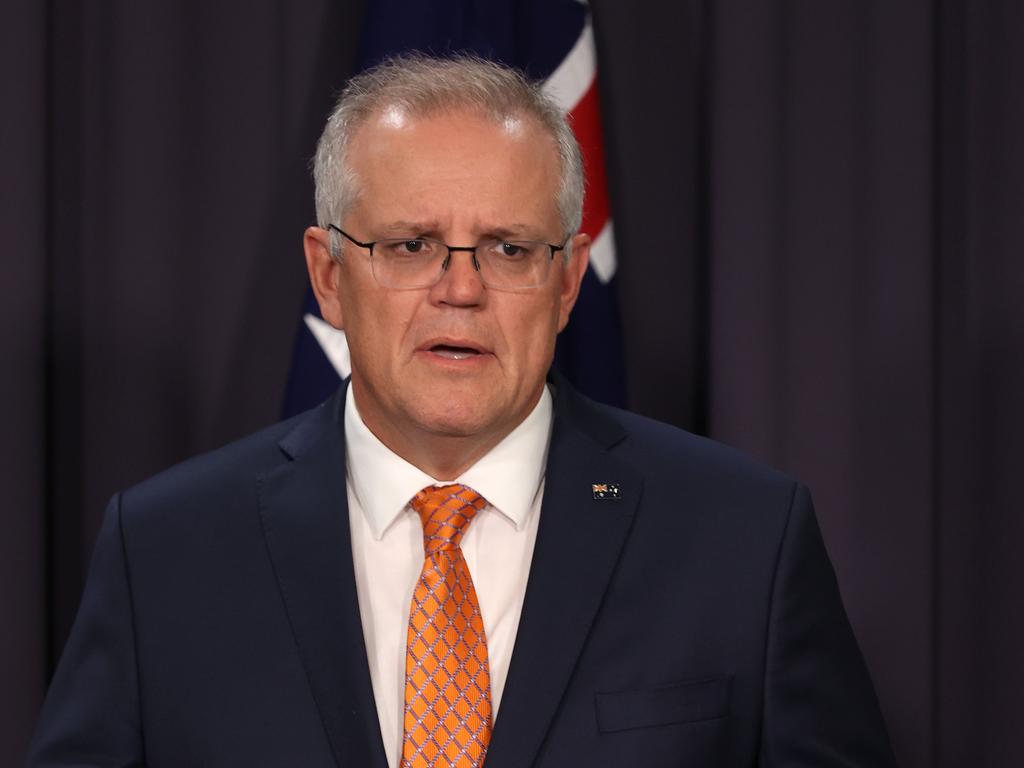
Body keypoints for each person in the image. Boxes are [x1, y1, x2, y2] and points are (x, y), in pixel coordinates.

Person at [29, 54, 896, 768]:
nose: (461, 289)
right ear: (329, 275)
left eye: (508, 249)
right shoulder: (165, 551)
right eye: (411, 246)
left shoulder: (744, 541)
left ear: (564, 282)